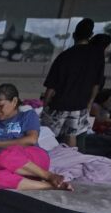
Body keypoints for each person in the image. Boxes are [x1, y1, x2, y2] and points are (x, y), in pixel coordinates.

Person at [0, 83, 72, 191]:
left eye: (1, 106)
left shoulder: (27, 116)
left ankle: (49, 176)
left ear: (14, 101)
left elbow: (32, 139)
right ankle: (51, 185)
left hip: (34, 159)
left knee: (3, 156)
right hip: (13, 168)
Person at [41, 18, 103, 146]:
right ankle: (71, 162)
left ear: (74, 35)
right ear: (90, 36)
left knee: (47, 136)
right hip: (80, 105)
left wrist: (45, 106)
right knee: (71, 135)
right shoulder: (96, 56)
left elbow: (51, 86)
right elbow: (96, 83)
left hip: (60, 104)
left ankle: (47, 161)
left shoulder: (65, 56)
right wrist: (89, 103)